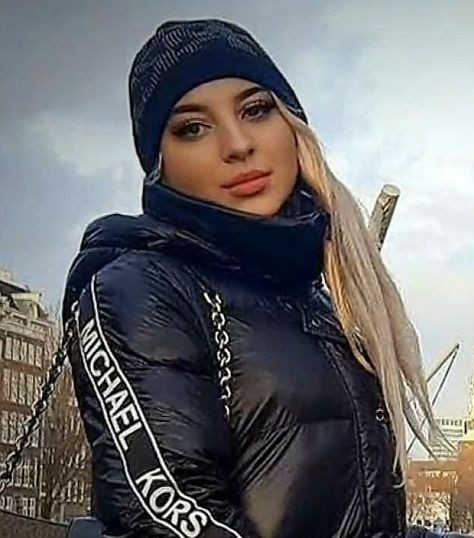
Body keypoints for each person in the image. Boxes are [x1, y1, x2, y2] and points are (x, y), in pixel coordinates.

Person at [61, 18, 441, 538]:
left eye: (256, 110)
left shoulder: (318, 295)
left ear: (292, 124)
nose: (238, 144)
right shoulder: (139, 289)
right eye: (193, 128)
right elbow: (169, 515)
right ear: (160, 164)